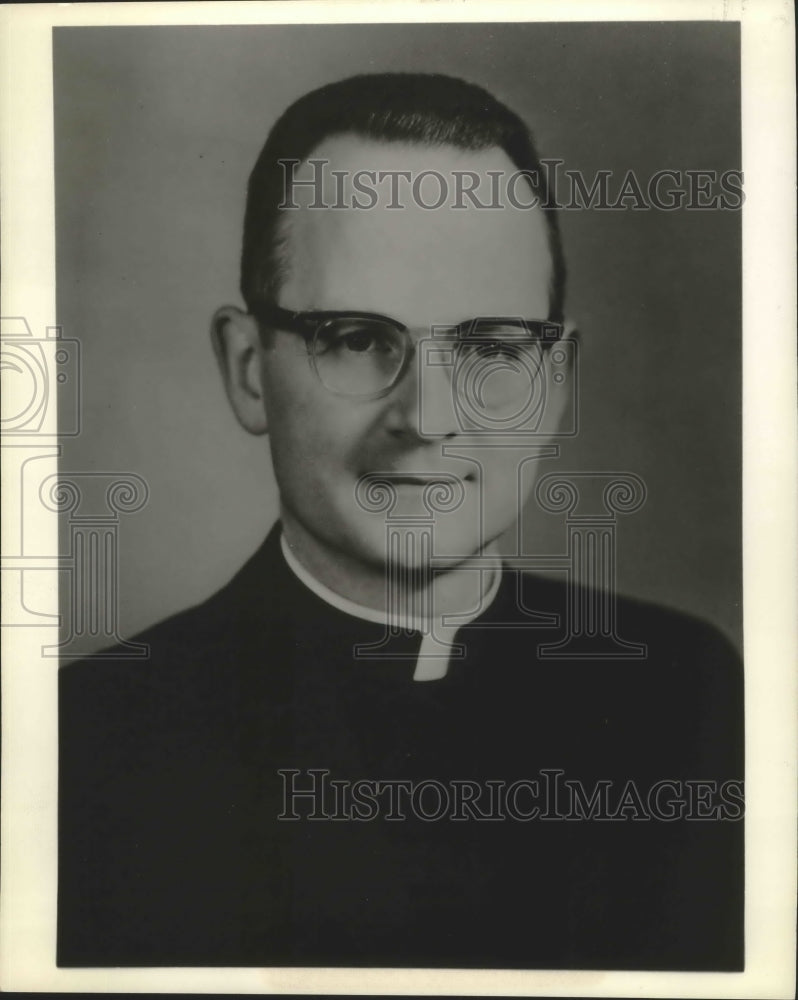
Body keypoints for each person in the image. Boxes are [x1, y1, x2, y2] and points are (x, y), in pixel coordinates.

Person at [58, 73, 743, 970]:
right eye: (353, 336)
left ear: (556, 380)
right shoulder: (80, 749)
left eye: (491, 346)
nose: (427, 415)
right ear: (248, 370)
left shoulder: (688, 697)